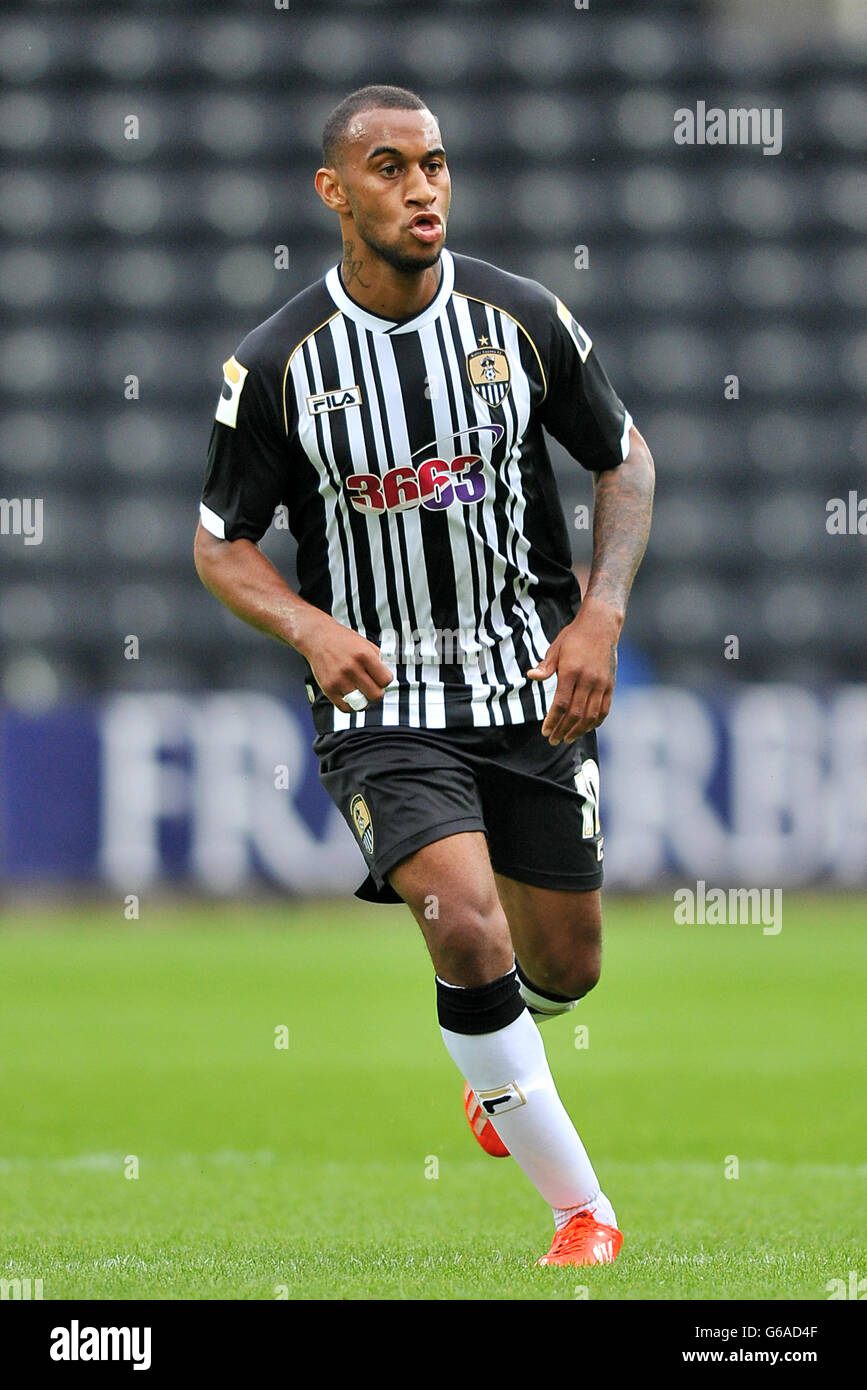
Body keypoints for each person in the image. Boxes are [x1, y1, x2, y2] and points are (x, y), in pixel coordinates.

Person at [194, 84, 655, 1267]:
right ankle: (582, 1215)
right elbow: (218, 543)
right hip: (384, 708)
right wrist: (307, 627)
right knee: (463, 926)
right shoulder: (279, 363)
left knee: (568, 964)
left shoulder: (523, 320)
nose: (422, 190)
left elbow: (624, 458)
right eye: (391, 168)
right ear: (334, 192)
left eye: (436, 166)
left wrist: (599, 617)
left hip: (529, 688)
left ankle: (497, 1060)